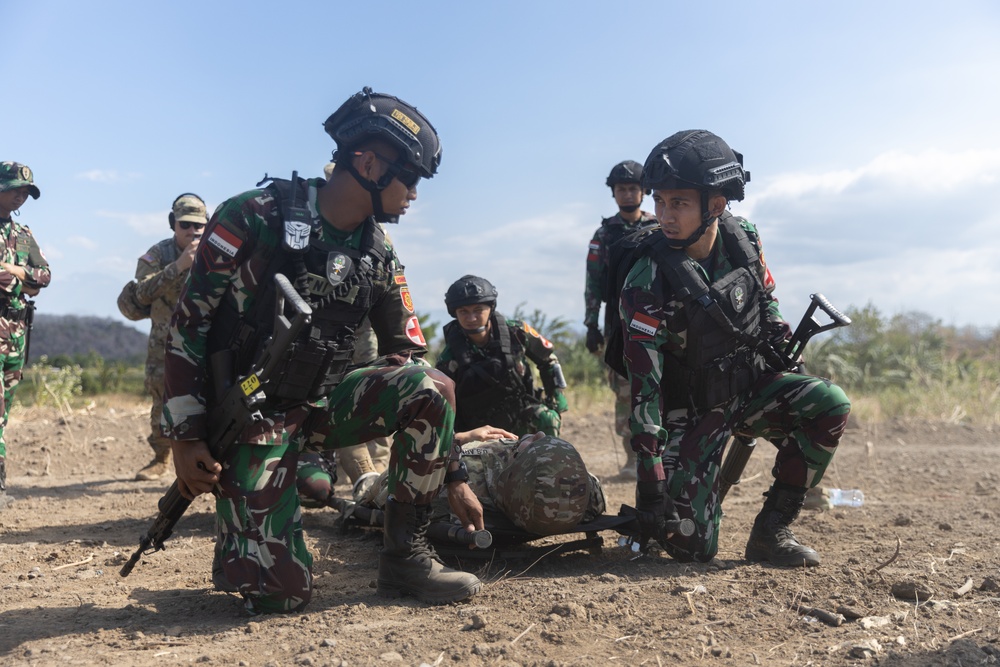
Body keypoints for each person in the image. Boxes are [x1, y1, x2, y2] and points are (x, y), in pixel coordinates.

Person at [161, 87, 483, 613]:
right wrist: (186, 438)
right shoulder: (253, 215)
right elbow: (187, 328)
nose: (416, 193)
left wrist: (456, 474)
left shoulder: (377, 250)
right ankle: (252, 530)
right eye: (412, 177)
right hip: (251, 417)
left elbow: (408, 354)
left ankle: (406, 557)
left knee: (432, 386)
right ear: (370, 163)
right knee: (282, 597)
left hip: (322, 407)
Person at [618, 130, 851, 567]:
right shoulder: (646, 279)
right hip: (687, 410)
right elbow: (643, 384)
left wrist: (779, 336)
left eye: (679, 203)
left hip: (748, 384)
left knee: (828, 403)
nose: (665, 216)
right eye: (661, 202)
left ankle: (771, 531)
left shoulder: (743, 237)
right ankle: (665, 514)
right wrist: (650, 472)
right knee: (692, 547)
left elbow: (766, 296)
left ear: (716, 205)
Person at [357, 429, 607, 538]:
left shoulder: (458, 487)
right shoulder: (584, 496)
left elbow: (382, 490)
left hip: (400, 470)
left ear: (513, 473)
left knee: (367, 476)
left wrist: (458, 439)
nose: (538, 435)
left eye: (531, 447)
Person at [117, 193, 208, 481]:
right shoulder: (158, 254)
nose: (193, 231)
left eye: (199, 226)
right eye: (186, 225)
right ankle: (160, 458)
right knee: (161, 397)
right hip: (164, 344)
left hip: (205, 340)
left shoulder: (216, 253)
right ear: (174, 224)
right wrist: (179, 266)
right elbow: (141, 292)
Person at [584, 161, 656, 476]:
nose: (627, 194)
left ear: (644, 191)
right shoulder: (604, 234)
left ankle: (660, 456)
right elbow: (593, 283)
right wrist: (591, 324)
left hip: (657, 321)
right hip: (618, 326)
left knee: (660, 387)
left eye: (633, 188)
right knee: (625, 391)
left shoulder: (658, 228)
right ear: (613, 194)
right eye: (621, 189)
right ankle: (632, 459)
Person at [436, 275, 568, 436]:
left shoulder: (517, 332)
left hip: (521, 415)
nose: (471, 318)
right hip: (479, 430)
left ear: (491, 308)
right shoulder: (449, 358)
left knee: (548, 419)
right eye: (464, 312)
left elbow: (548, 360)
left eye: (478, 310)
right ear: (454, 313)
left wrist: (556, 403)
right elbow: (441, 406)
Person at [0, 162, 50, 510]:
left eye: (26, 192)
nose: (21, 196)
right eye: (15, 189)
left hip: (15, 334)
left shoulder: (23, 234)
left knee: (4, 411)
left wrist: (15, 271)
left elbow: (44, 276)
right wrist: (24, 279)